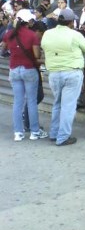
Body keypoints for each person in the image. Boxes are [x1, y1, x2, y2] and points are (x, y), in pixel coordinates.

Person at [41, 8, 85, 146]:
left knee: (57, 103)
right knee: (68, 106)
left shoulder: (47, 33)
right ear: (71, 22)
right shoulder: (75, 34)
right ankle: (62, 137)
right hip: (72, 72)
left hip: (54, 73)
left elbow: (44, 47)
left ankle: (54, 133)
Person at [3, 9, 48, 141]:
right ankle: (34, 132)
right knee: (31, 101)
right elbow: (36, 55)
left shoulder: (9, 34)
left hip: (14, 69)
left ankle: (18, 132)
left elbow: (3, 49)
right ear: (28, 21)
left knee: (18, 102)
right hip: (29, 69)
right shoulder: (32, 35)